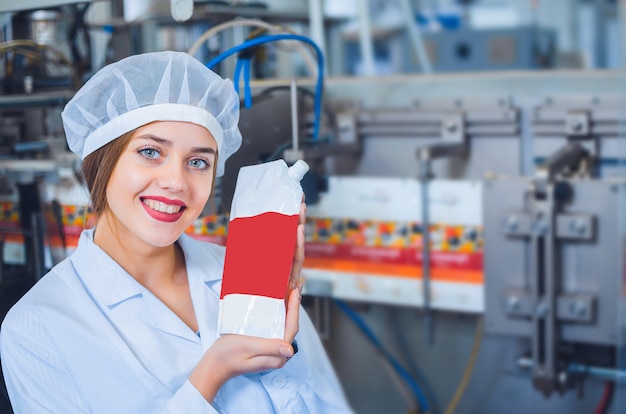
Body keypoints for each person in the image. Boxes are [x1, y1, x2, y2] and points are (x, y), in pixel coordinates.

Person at [0, 51, 353, 413]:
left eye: (198, 162)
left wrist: (281, 352)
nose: (175, 182)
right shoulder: (38, 326)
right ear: (102, 161)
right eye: (151, 151)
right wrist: (211, 374)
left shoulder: (246, 276)